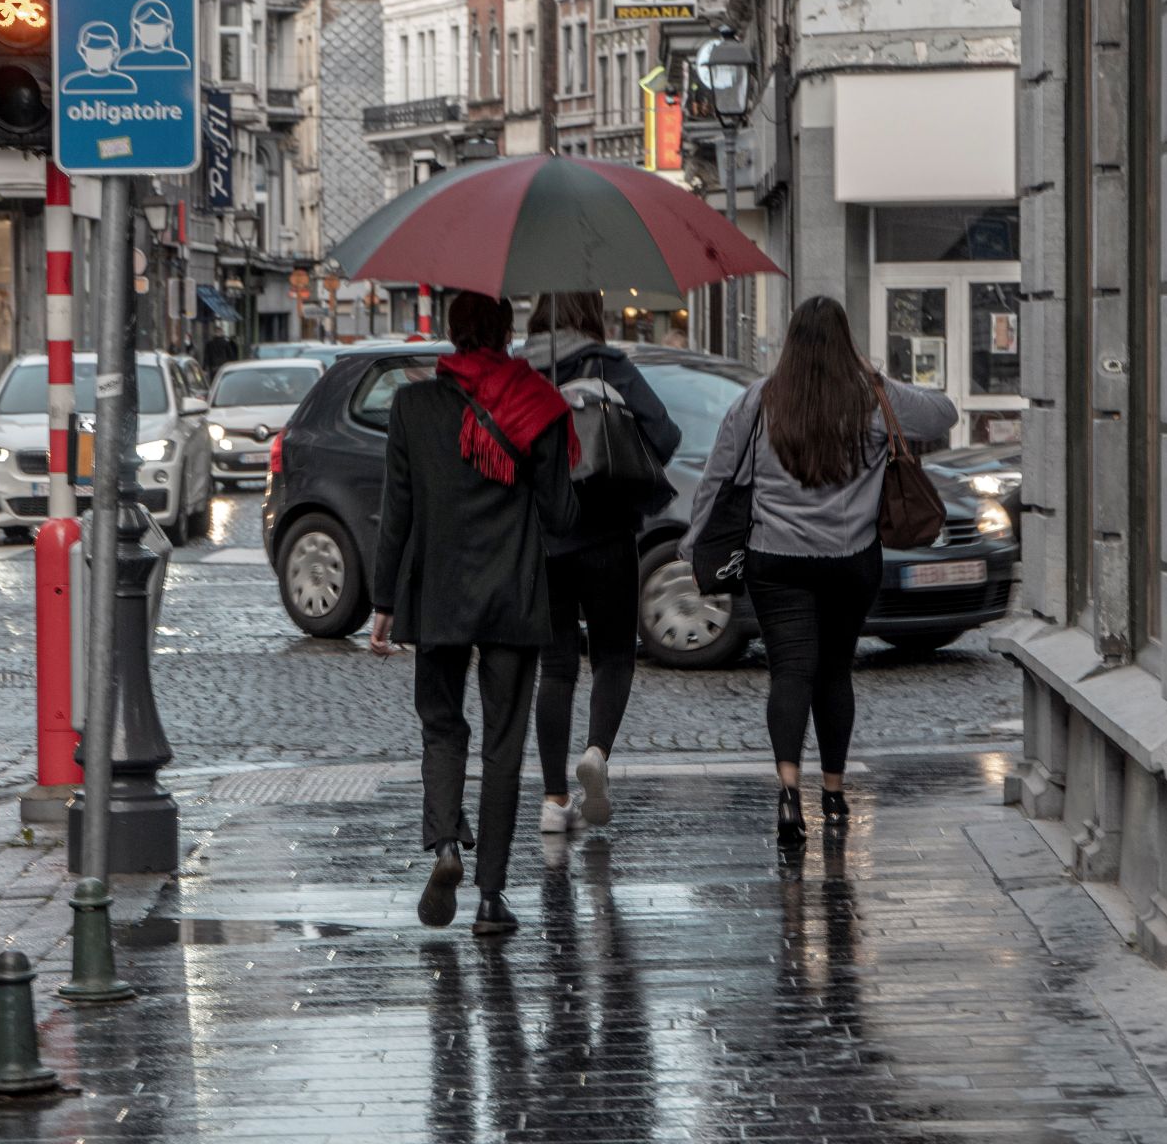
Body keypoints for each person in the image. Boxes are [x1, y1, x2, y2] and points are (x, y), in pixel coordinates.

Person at [683, 296, 956, 849]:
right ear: (844, 344)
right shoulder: (873, 399)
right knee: (834, 672)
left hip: (775, 561)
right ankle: (832, 793)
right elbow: (943, 413)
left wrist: (695, 545)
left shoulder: (758, 401)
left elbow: (717, 477)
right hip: (851, 561)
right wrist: (876, 374)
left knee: (790, 673)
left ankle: (788, 792)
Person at [371, 291, 579, 935]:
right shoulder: (539, 405)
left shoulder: (412, 405)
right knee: (504, 747)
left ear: (453, 335)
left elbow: (397, 512)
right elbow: (562, 517)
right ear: (507, 333)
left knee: (440, 726)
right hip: (514, 596)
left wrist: (382, 602)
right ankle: (491, 898)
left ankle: (445, 848)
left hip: (438, 598)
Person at [520, 291, 681, 833]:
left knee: (557, 668)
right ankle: (595, 753)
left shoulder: (519, 372)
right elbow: (666, 435)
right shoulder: (607, 365)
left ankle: (553, 801)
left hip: (543, 540)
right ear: (591, 316)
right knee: (614, 657)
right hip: (608, 533)